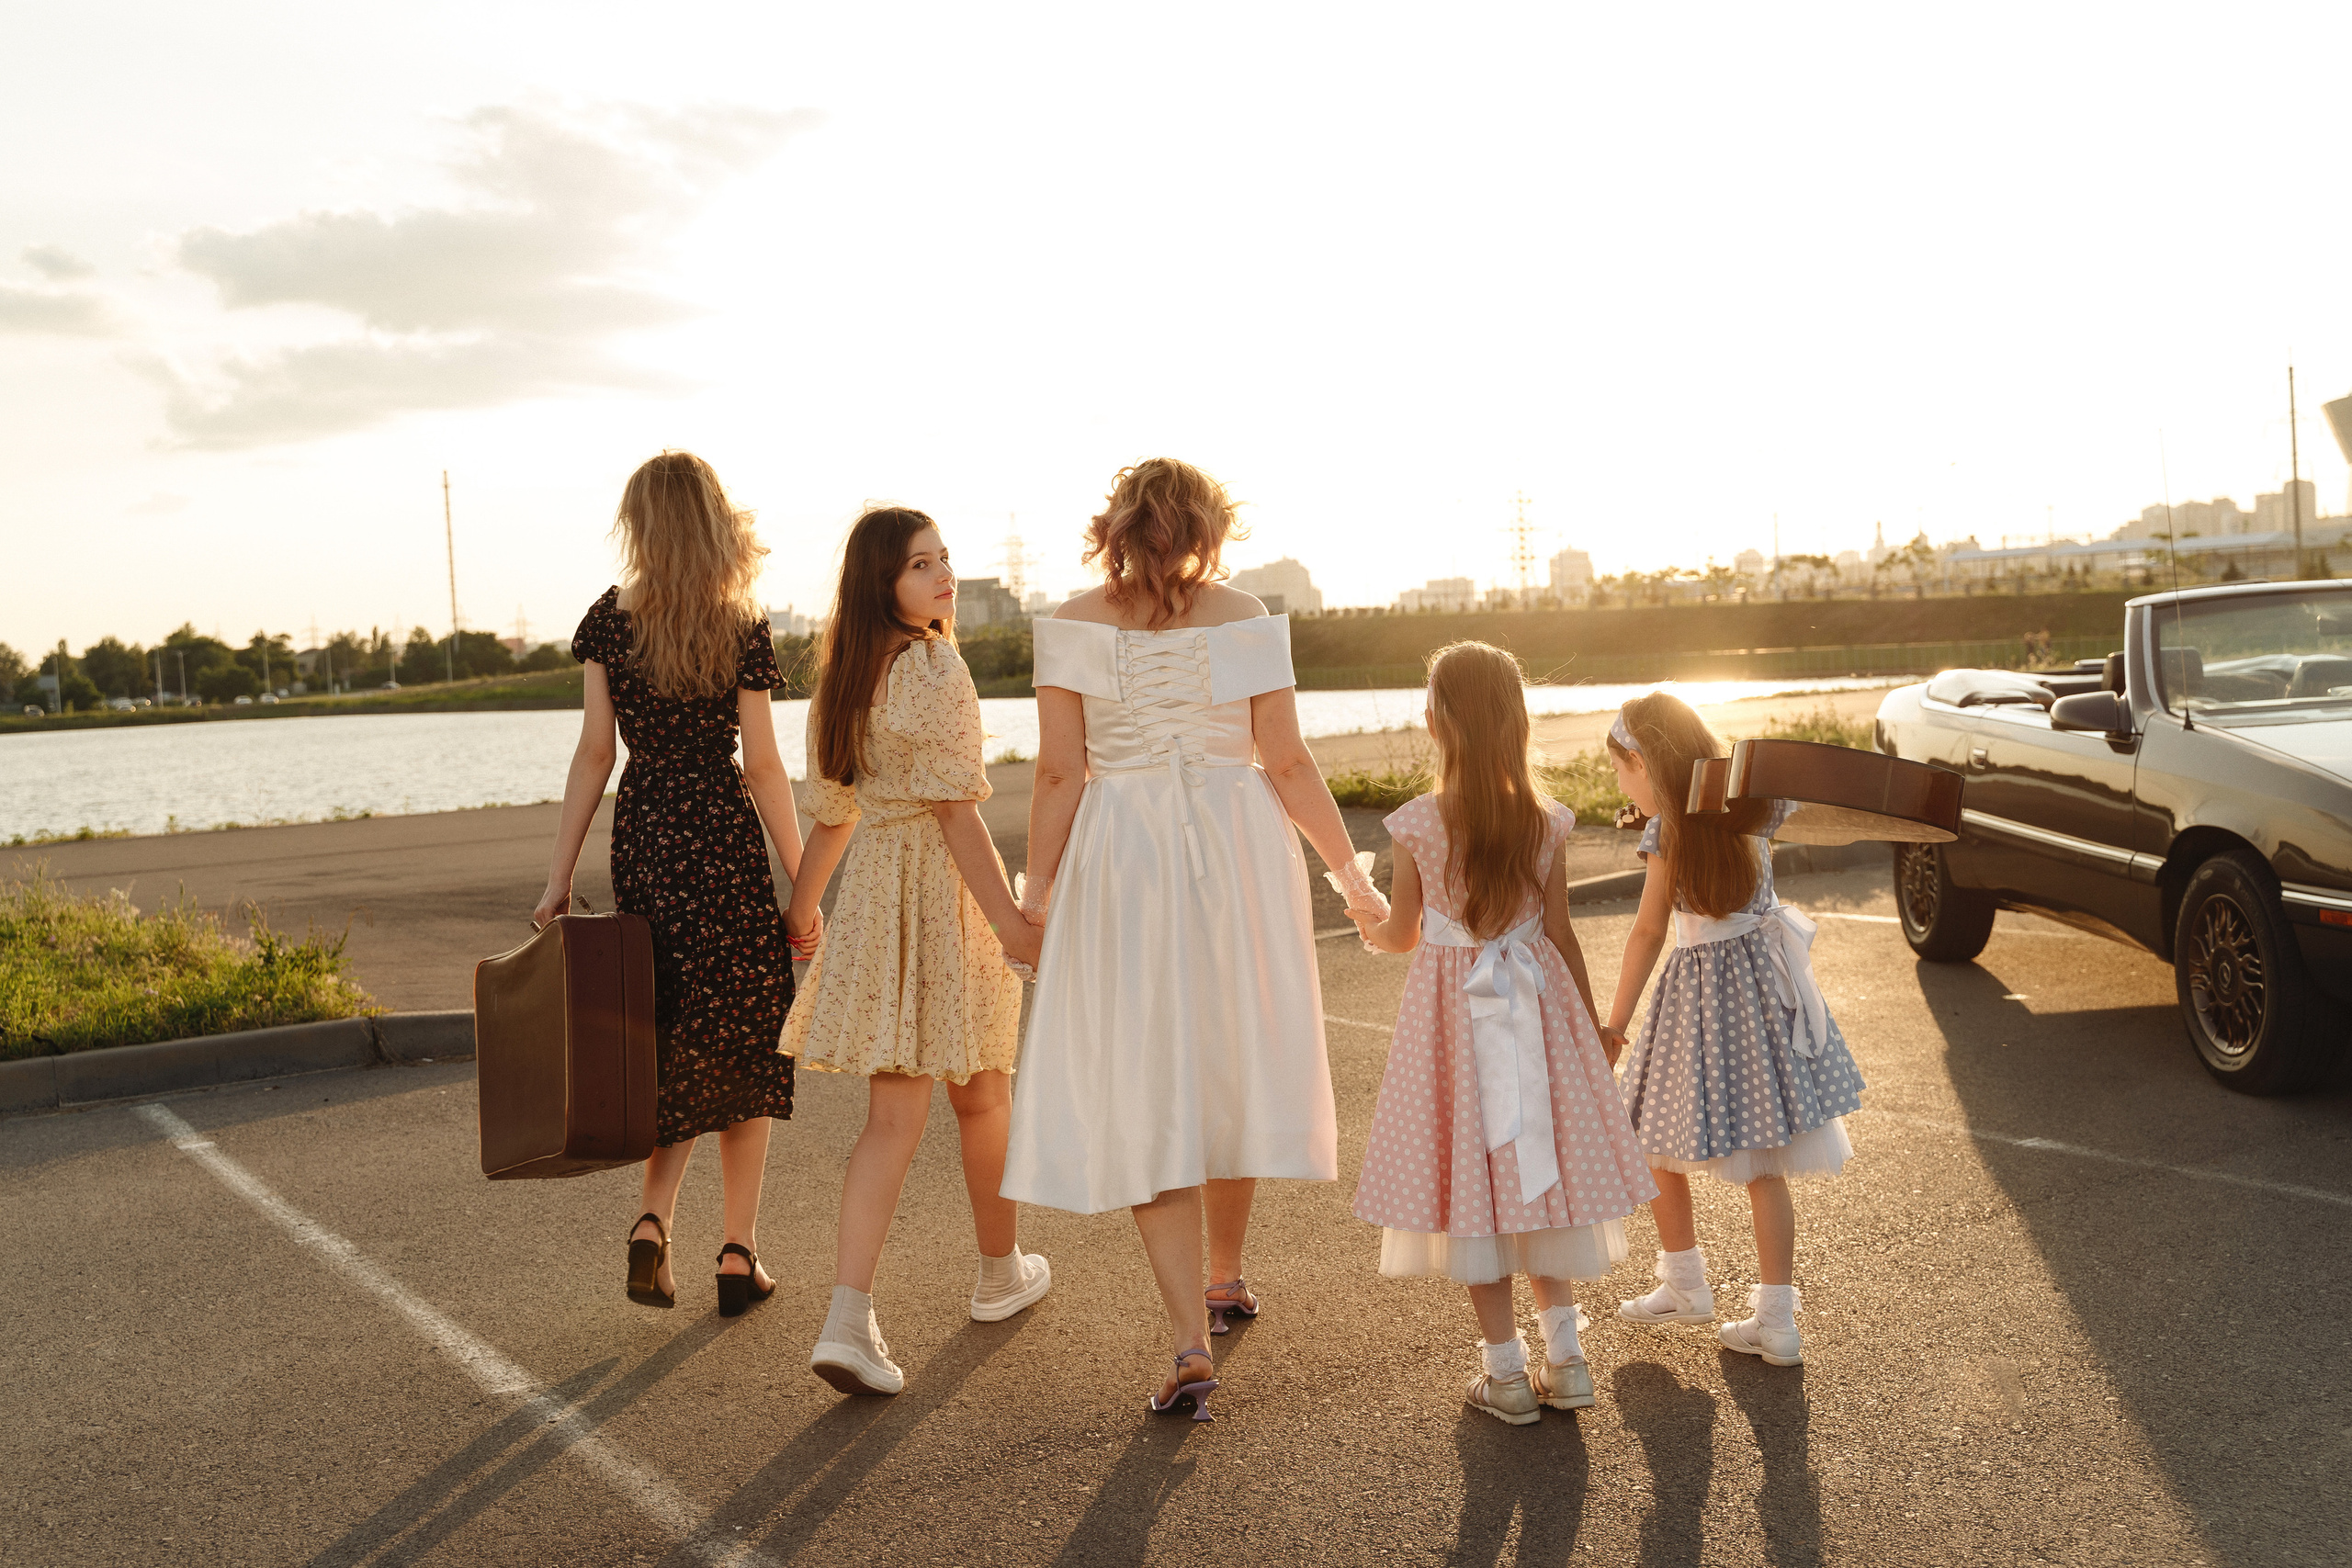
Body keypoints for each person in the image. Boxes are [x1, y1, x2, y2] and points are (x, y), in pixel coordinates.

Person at [1001, 457, 1383, 1421]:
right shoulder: (1244, 615)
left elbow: (1057, 774)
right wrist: (1352, 879)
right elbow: (1286, 761)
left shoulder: (1074, 624)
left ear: (1117, 528)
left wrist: (1035, 901)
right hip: (1235, 844)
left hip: (1122, 852)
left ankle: (1186, 1335)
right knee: (1225, 1051)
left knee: (1146, 1071)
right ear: (1209, 528)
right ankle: (1225, 1274)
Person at [1345, 642, 1658, 1425]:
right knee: (1539, 1178)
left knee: (1474, 1190)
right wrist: (1591, 1029)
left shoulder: (1418, 822)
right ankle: (1568, 1359)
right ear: (1517, 722)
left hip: (1453, 1027)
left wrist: (1369, 925)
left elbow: (1406, 932)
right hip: (1538, 1009)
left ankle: (1506, 1374)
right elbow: (1558, 931)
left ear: (1436, 723)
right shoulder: (1545, 818)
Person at [783, 506, 1047, 1397]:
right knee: (981, 1096)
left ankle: (859, 1313)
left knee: (909, 1114)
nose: (942, 578)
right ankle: (989, 1274)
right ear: (881, 584)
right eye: (919, 566)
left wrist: (805, 906)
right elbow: (955, 811)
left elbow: (835, 808)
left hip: (875, 898)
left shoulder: (845, 676)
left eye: (944, 561)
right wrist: (1010, 921)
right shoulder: (934, 664)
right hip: (942, 896)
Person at [537, 450, 804, 1318]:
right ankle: (737, 1252)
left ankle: (652, 1223)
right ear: (714, 520)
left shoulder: (609, 621)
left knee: (672, 1036)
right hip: (721, 841)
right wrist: (803, 882)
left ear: (642, 526)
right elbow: (763, 767)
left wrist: (556, 881)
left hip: (647, 838)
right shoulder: (740, 623)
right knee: (745, 1042)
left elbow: (593, 755)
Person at [1600, 692, 1867, 1366]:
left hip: (1699, 996)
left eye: (1622, 771)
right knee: (1765, 1165)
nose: (1621, 786)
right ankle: (1777, 1320)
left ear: (1644, 761)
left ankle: (1685, 1282)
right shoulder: (1753, 813)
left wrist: (1615, 1024)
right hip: (1764, 987)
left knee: (1651, 1139)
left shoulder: (1667, 832)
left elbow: (1648, 931)